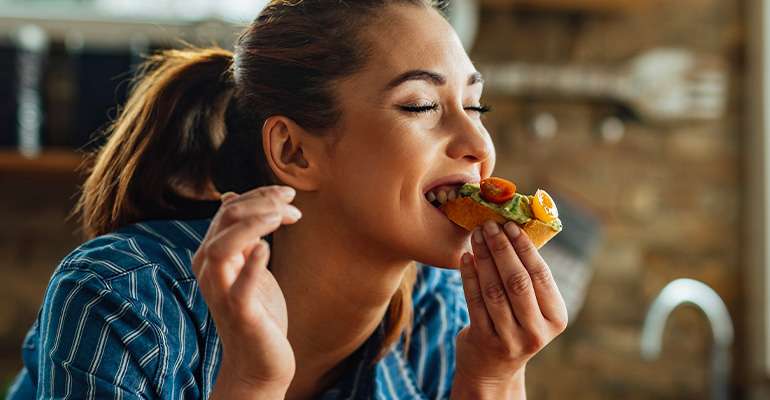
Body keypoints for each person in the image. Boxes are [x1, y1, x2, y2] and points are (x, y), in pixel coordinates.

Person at [6, 0, 568, 398]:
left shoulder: (440, 308)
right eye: (421, 106)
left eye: (475, 107)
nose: (478, 145)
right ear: (295, 152)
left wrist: (493, 379)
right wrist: (253, 382)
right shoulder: (123, 299)